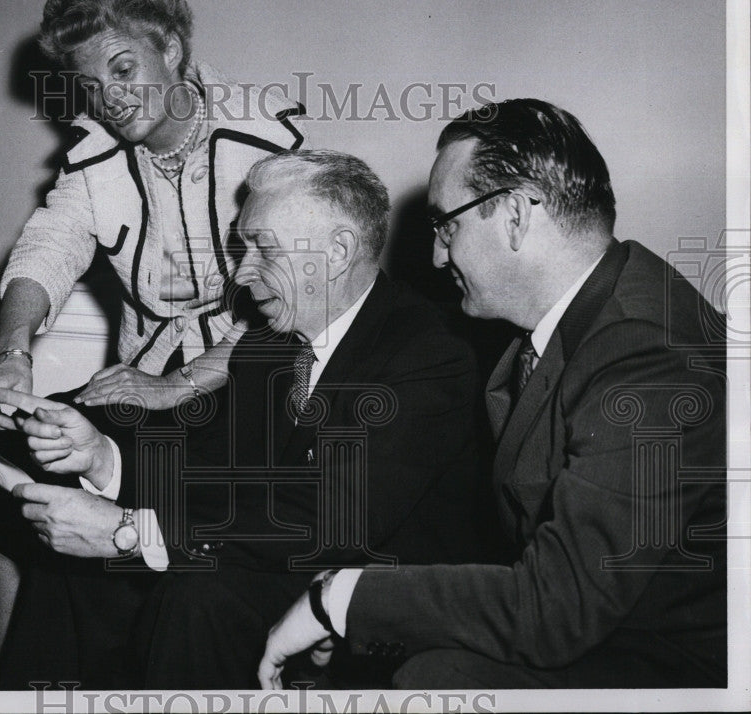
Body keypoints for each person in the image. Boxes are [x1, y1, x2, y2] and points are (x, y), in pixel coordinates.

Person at [0, 0, 306, 689]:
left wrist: (180, 386)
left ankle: (18, 684)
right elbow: (48, 247)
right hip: (134, 389)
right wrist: (12, 353)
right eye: (91, 83)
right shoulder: (94, 156)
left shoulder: (269, 146)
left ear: (172, 46)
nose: (110, 95)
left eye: (123, 66)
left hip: (247, 397)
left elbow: (297, 307)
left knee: (41, 504)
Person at [259, 99, 727, 689]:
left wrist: (340, 599)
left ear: (513, 214)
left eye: (445, 225)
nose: (435, 255)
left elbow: (558, 608)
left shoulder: (645, 353)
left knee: (433, 680)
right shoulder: (576, 323)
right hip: (614, 628)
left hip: (678, 665)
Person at [0, 150, 486, 689]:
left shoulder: (426, 351)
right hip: (280, 556)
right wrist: (102, 459)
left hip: (367, 591)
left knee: (198, 590)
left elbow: (329, 521)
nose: (243, 273)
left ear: (337, 251)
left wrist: (128, 532)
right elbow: (215, 473)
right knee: (78, 566)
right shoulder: (270, 342)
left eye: (262, 249)